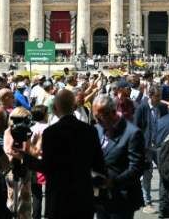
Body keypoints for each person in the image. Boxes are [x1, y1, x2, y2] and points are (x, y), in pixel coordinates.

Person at [19, 89, 106, 219]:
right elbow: (99, 164)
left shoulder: (50, 133)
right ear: (74, 106)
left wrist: (24, 158)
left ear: (55, 108)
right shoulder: (90, 131)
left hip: (59, 199)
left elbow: (46, 167)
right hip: (83, 196)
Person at [93, 93, 146, 219]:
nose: (97, 121)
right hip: (101, 198)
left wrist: (113, 182)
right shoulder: (98, 128)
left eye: (99, 117)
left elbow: (136, 168)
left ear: (112, 113)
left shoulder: (132, 133)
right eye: (95, 118)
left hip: (122, 198)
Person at [133, 85, 168, 214]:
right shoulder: (142, 108)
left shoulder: (161, 108)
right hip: (146, 146)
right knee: (147, 174)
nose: (159, 99)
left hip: (158, 145)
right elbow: (136, 127)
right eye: (157, 96)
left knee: (164, 171)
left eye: (160, 96)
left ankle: (165, 199)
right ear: (150, 96)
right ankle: (147, 201)